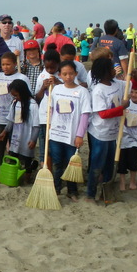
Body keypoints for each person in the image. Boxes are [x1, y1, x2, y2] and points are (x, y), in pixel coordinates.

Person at [86, 58, 129, 202]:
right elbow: (103, 114)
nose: (114, 70)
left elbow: (131, 84)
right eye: (112, 68)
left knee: (110, 164)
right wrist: (121, 108)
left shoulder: (116, 84)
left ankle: (106, 192)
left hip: (113, 132)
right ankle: (90, 193)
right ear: (105, 72)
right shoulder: (98, 90)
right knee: (97, 164)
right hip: (100, 133)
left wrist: (132, 75)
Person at [49, 60, 92, 200]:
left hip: (72, 135)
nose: (68, 77)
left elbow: (85, 115)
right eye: (65, 74)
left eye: (71, 73)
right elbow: (51, 109)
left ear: (76, 74)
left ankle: (72, 190)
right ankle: (56, 188)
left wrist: (80, 135)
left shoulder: (82, 92)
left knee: (71, 163)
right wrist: (49, 125)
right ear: (60, 75)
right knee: (57, 162)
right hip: (56, 134)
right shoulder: (56, 89)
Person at [0, 51, 29, 172]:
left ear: (15, 64)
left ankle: (12, 168)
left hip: (16, 118)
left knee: (15, 145)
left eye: (8, 64)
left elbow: (27, 97)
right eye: (3, 64)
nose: (5, 67)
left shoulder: (22, 78)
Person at [0, 79, 40, 184]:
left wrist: (33, 140)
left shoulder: (33, 105)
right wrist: (4, 132)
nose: (15, 98)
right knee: (13, 156)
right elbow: (11, 121)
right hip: (16, 137)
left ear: (23, 92)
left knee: (27, 160)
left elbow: (36, 126)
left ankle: (27, 178)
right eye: (14, 96)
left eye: (16, 95)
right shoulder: (15, 104)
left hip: (27, 137)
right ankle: (13, 177)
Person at [117, 82, 137, 191]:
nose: (134, 94)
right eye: (132, 92)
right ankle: (122, 182)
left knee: (133, 161)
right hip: (122, 137)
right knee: (121, 162)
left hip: (136, 139)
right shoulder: (126, 103)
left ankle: (132, 181)